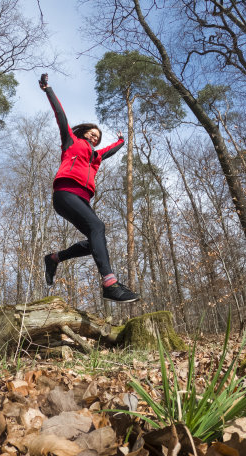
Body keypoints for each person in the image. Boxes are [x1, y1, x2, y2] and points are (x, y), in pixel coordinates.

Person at [39, 74, 139, 303]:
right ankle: (110, 284)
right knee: (97, 226)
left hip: (82, 199)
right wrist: (49, 90)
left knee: (96, 239)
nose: (95, 137)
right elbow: (61, 116)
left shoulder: (95, 156)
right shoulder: (71, 143)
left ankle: (55, 258)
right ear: (84, 133)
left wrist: (122, 142)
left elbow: (110, 151)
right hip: (65, 193)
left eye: (98, 136)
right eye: (92, 134)